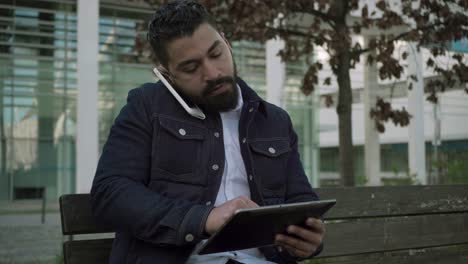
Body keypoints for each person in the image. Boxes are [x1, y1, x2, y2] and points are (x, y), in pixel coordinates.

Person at [91, 1, 325, 263]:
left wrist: (310, 239)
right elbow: (110, 193)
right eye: (191, 68)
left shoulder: (274, 120)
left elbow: (300, 199)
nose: (213, 73)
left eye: (216, 54)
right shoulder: (147, 107)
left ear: (226, 42)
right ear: (168, 75)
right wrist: (204, 219)